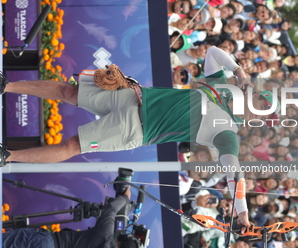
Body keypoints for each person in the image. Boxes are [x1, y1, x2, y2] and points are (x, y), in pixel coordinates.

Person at [0, 46, 281, 227]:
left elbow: (235, 173)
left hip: (137, 129)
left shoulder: (227, 132)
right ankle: (6, 85)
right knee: (67, 91)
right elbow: (213, 53)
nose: (256, 104)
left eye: (263, 110)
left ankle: (6, 157)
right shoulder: (220, 84)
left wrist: (242, 211)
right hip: (134, 95)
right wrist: (240, 71)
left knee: (72, 145)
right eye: (260, 99)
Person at [2, 186, 132, 248]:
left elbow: (111, 208)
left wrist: (125, 198)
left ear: (122, 240)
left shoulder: (104, 236)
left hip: (48, 243)